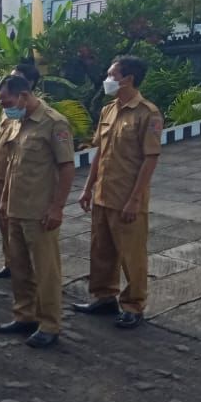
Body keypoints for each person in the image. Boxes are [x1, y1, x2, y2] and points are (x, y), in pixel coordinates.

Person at [74, 56, 162, 329]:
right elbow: (100, 152)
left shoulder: (148, 114)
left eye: (112, 75)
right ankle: (104, 296)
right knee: (101, 250)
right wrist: (88, 188)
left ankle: (134, 304)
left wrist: (135, 199)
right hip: (103, 193)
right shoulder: (108, 110)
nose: (108, 79)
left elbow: (150, 159)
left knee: (131, 255)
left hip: (127, 197)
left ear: (128, 79)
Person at [0, 75, 75, 349]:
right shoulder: (18, 122)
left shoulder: (53, 122)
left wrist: (57, 207)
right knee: (19, 267)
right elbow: (12, 165)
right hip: (16, 208)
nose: (4, 107)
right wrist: (4, 201)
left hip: (40, 211)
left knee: (45, 270)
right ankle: (24, 315)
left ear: (23, 95)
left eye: (6, 101)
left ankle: (49, 323)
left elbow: (66, 168)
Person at [0, 64, 43, 279]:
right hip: (3, 173)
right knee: (3, 221)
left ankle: (26, 266)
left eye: (16, 78)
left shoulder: (34, 113)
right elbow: (1, 141)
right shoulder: (8, 107)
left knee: (21, 227)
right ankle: (10, 260)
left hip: (21, 179)